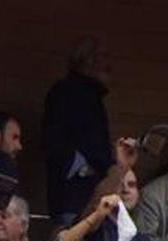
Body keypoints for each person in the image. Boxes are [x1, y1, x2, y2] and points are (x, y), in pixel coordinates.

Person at [42, 38, 113, 221]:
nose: (108, 63)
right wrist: (82, 166)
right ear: (87, 59)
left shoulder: (93, 96)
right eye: (103, 56)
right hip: (72, 197)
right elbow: (53, 140)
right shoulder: (65, 92)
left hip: (93, 195)